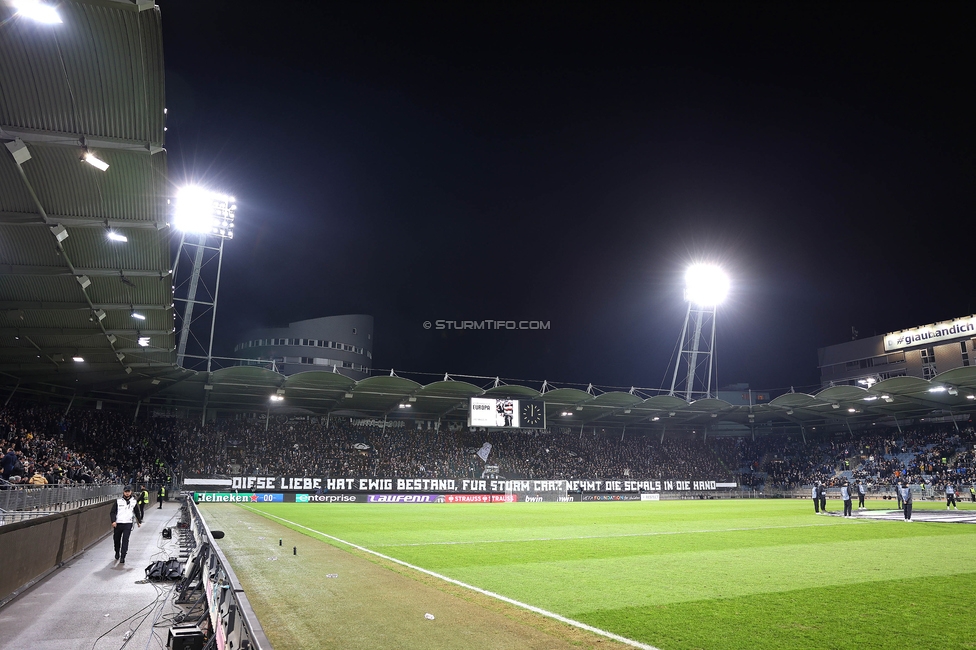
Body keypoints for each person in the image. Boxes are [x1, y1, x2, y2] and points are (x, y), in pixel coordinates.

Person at [111, 486, 142, 564]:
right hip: (118, 523)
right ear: (123, 492)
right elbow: (113, 512)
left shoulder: (134, 501)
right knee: (116, 540)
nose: (127, 493)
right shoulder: (118, 501)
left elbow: (137, 512)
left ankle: (123, 556)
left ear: (131, 492)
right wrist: (113, 521)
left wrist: (139, 522)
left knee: (125, 540)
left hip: (128, 523)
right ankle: (117, 552)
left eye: (128, 491)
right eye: (126, 491)